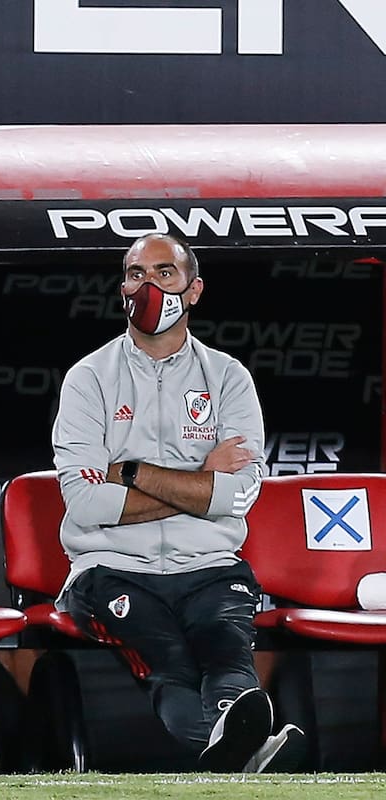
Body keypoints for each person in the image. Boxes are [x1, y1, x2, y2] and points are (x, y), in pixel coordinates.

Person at [52, 233, 306, 773]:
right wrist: (200, 484)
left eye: (164, 273)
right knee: (169, 663)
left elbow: (240, 494)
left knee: (227, 657)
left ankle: (228, 752)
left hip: (211, 566)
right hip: (112, 568)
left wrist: (133, 473)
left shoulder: (228, 377)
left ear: (193, 290)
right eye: (135, 274)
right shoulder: (88, 378)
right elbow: (87, 503)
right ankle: (242, 753)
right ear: (122, 288)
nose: (147, 286)